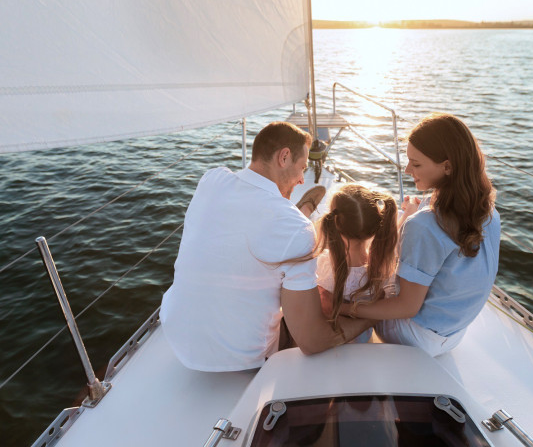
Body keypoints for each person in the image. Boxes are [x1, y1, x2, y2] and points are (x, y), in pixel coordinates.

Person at [160, 121, 372, 371]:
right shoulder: (296, 230)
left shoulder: (212, 179)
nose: (302, 179)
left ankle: (302, 210)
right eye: (302, 167)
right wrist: (368, 318)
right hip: (242, 359)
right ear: (284, 157)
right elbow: (312, 341)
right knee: (304, 302)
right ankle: (302, 212)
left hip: (175, 334)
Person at [336, 113, 500, 357]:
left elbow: (406, 307)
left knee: (352, 275)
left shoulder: (424, 226)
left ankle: (352, 349)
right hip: (452, 334)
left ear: (447, 166)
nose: (407, 169)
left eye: (417, 163)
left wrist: (349, 308)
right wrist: (414, 214)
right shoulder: (487, 210)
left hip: (413, 338)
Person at [315, 184, 399, 343]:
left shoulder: (324, 265)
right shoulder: (382, 265)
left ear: (334, 223)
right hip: (363, 341)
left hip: (334, 343)